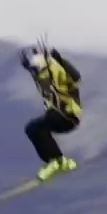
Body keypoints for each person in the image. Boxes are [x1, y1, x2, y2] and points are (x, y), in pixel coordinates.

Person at [20, 45, 81, 181]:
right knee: (31, 129)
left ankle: (56, 163)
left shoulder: (56, 70)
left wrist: (61, 61)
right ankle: (59, 161)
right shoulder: (42, 77)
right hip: (57, 115)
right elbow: (41, 78)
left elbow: (76, 78)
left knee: (41, 125)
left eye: (36, 68)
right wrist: (30, 69)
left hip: (68, 115)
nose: (35, 72)